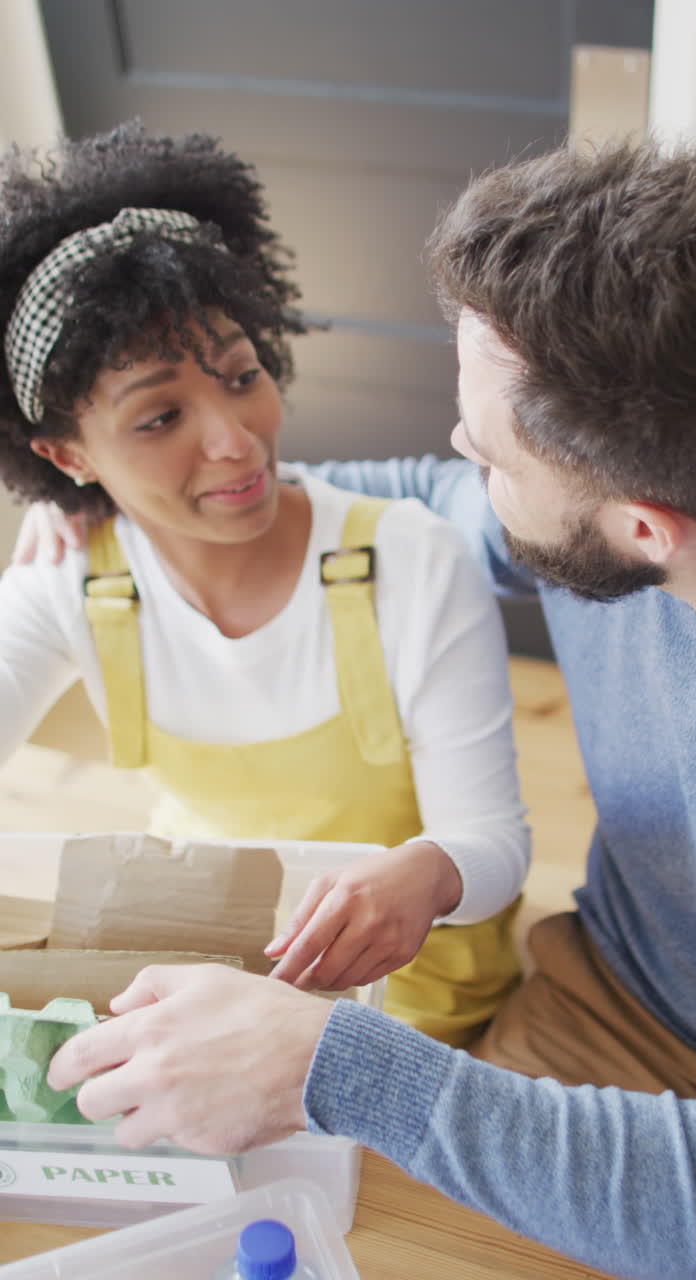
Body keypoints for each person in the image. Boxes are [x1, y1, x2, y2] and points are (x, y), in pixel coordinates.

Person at [48, 135, 696, 1280]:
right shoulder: (642, 487)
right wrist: (129, 505)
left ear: (644, 529)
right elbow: (397, 500)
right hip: (623, 994)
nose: (458, 454)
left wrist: (339, 1063)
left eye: (492, 456)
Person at [0, 122, 531, 1044]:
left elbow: (494, 843)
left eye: (241, 377)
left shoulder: (412, 558)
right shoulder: (68, 583)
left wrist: (428, 872)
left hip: (413, 1000)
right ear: (67, 456)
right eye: (161, 417)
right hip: (207, 980)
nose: (234, 440)